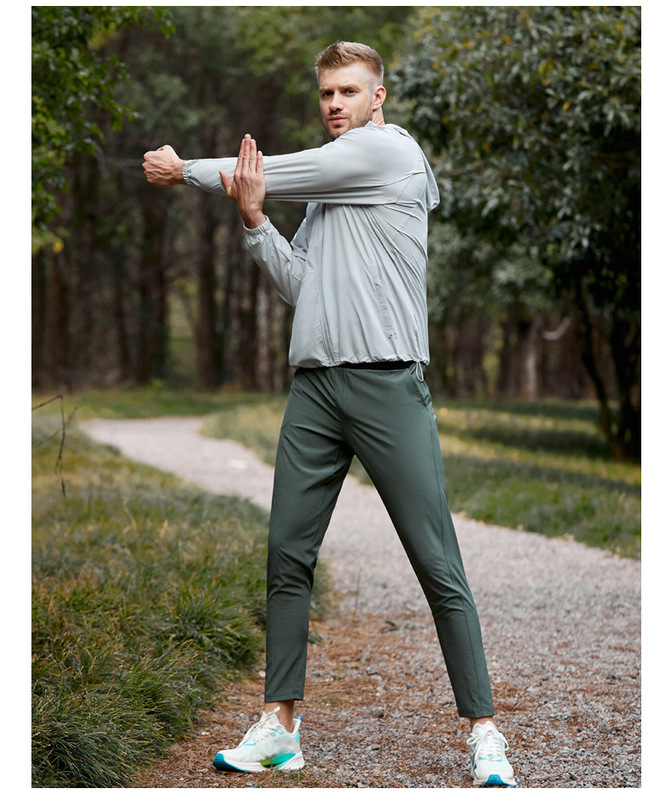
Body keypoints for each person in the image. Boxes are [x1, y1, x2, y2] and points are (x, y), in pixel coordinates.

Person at [143, 40, 516, 789]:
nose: (335, 104)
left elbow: (271, 170)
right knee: (287, 556)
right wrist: (254, 222)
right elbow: (299, 285)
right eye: (326, 94)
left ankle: (484, 733)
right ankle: (280, 728)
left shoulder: (386, 153)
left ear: (379, 96)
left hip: (386, 385)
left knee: (436, 563)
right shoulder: (329, 191)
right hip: (315, 389)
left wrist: (184, 170)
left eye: (349, 91)